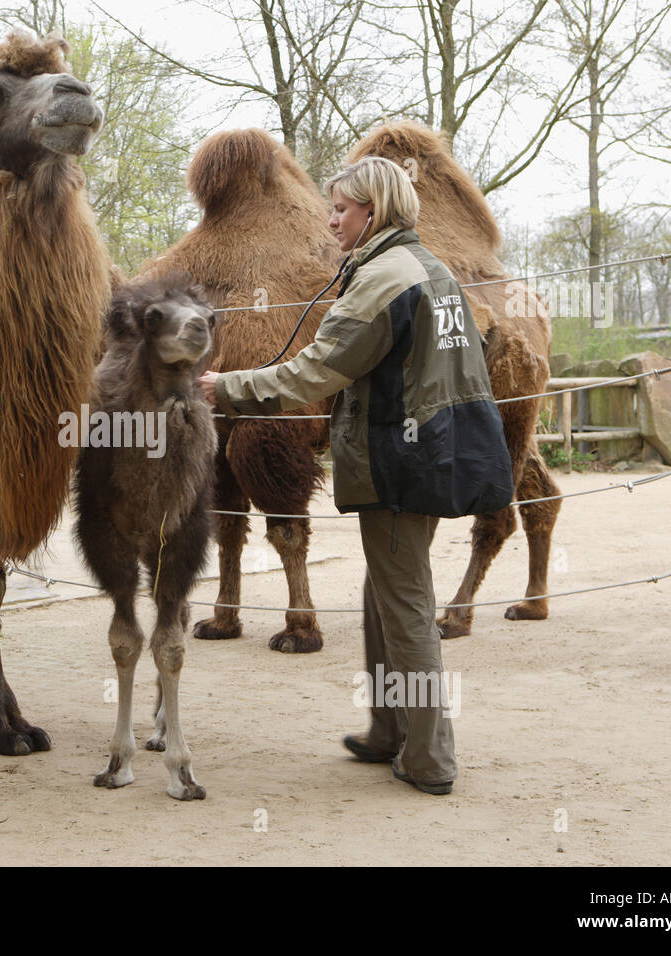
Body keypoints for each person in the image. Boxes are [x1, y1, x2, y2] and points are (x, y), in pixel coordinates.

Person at [199, 155, 514, 795]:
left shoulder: (381, 281)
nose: (332, 219)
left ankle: (430, 759)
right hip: (434, 450)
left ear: (373, 212)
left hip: (401, 461)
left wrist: (224, 386)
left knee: (405, 607)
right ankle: (386, 731)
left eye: (341, 208)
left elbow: (313, 372)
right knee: (387, 593)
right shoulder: (432, 270)